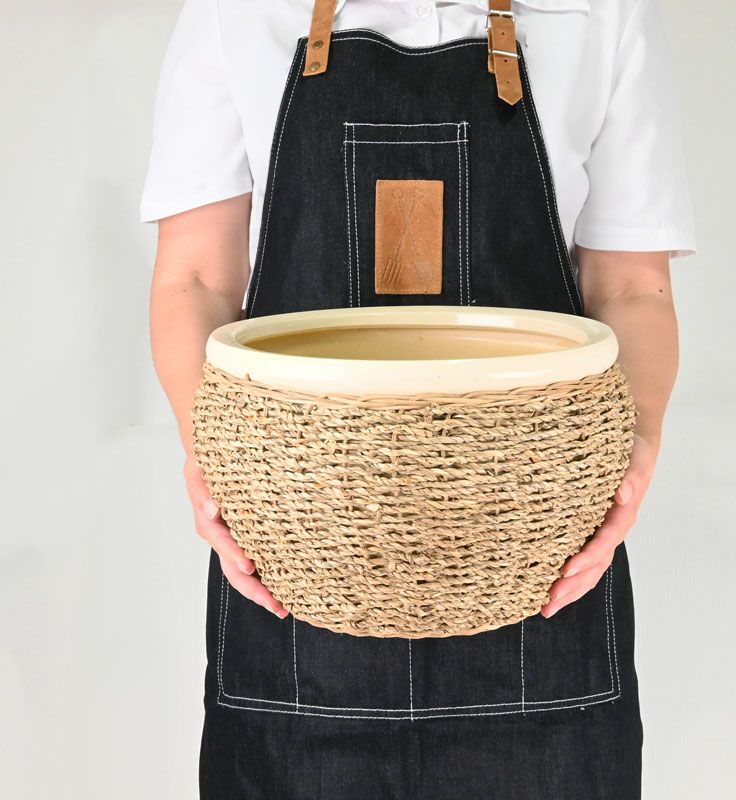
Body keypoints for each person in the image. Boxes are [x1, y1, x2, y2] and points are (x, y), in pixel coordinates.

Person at [140, 1, 696, 797]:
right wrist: (216, 460)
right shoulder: (235, 10)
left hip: (541, 593)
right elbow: (193, 277)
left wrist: (632, 451)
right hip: (298, 596)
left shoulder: (603, 11)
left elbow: (633, 286)